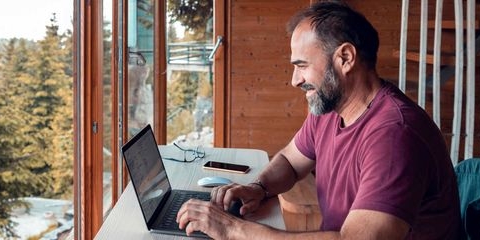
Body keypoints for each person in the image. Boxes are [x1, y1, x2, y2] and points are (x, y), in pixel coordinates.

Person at [175, 2, 461, 239]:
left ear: (345, 58)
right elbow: (289, 161)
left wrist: (232, 228)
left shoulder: (395, 135)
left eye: (302, 66)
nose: (294, 80)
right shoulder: (330, 108)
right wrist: (258, 188)